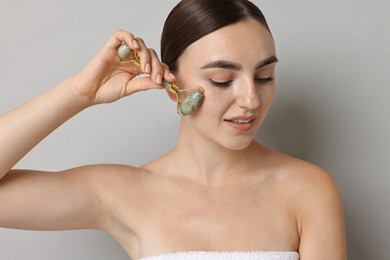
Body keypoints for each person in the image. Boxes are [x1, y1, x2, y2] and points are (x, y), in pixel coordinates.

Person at [0, 0, 346, 259]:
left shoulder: (307, 189)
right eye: (222, 80)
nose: (251, 100)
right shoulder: (123, 192)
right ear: (170, 82)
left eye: (264, 77)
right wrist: (79, 92)